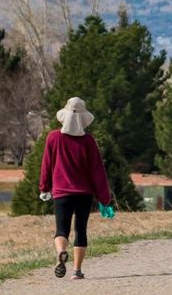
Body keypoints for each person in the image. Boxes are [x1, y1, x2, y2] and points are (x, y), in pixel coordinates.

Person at [38, 96, 115, 279]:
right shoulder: (88, 141)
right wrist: (104, 198)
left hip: (61, 193)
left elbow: (46, 165)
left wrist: (44, 187)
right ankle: (77, 271)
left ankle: (60, 253)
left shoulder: (53, 138)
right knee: (81, 229)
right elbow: (97, 171)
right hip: (84, 194)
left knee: (61, 229)